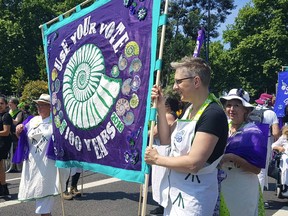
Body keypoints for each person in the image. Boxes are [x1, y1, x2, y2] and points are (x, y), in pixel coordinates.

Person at [145, 57, 228, 215]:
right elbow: (166, 141)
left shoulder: (212, 114)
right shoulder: (189, 110)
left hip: (194, 198)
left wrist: (157, 160)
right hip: (175, 193)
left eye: (179, 81)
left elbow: (193, 164)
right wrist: (161, 108)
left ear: (196, 81)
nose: (175, 87)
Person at [15, 94, 69, 216]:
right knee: (40, 195)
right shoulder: (32, 120)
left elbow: (64, 140)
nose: (39, 107)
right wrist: (18, 131)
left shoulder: (56, 122)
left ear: (50, 107)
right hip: (33, 164)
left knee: (44, 198)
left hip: (48, 165)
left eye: (42, 104)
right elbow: (22, 137)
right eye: (38, 104)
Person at [220, 88, 267, 216]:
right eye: (228, 105)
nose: (231, 109)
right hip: (223, 186)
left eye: (237, 105)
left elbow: (256, 169)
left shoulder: (254, 133)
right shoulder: (224, 128)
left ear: (246, 110)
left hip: (242, 188)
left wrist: (232, 157)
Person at [149, 96, 179, 215]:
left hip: (163, 151)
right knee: (159, 180)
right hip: (161, 150)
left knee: (161, 180)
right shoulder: (170, 116)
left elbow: (155, 132)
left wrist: (143, 133)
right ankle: (161, 205)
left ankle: (163, 206)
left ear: (167, 106)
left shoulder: (168, 116)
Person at [254, 93, 280, 208]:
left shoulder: (253, 110)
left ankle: (252, 197)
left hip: (251, 141)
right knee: (261, 172)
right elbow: (275, 133)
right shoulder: (271, 113)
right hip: (264, 143)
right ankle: (258, 200)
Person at [0, 96, 12, 196]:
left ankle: (3, 187)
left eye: (1, 103)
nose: (0, 105)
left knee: (0, 165)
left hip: (3, 143)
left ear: (6, 105)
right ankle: (3, 188)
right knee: (0, 166)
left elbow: (6, 132)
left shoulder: (6, 116)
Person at [271, 125, 288, 197]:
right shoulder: (284, 137)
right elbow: (273, 145)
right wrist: (279, 147)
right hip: (286, 157)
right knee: (285, 161)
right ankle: (286, 187)